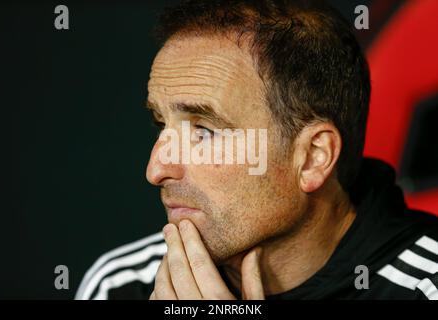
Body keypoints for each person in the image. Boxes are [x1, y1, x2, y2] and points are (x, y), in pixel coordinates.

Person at [75, 0, 438, 300]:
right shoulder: (122, 286)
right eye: (161, 124)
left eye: (203, 131)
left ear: (313, 158)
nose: (156, 170)